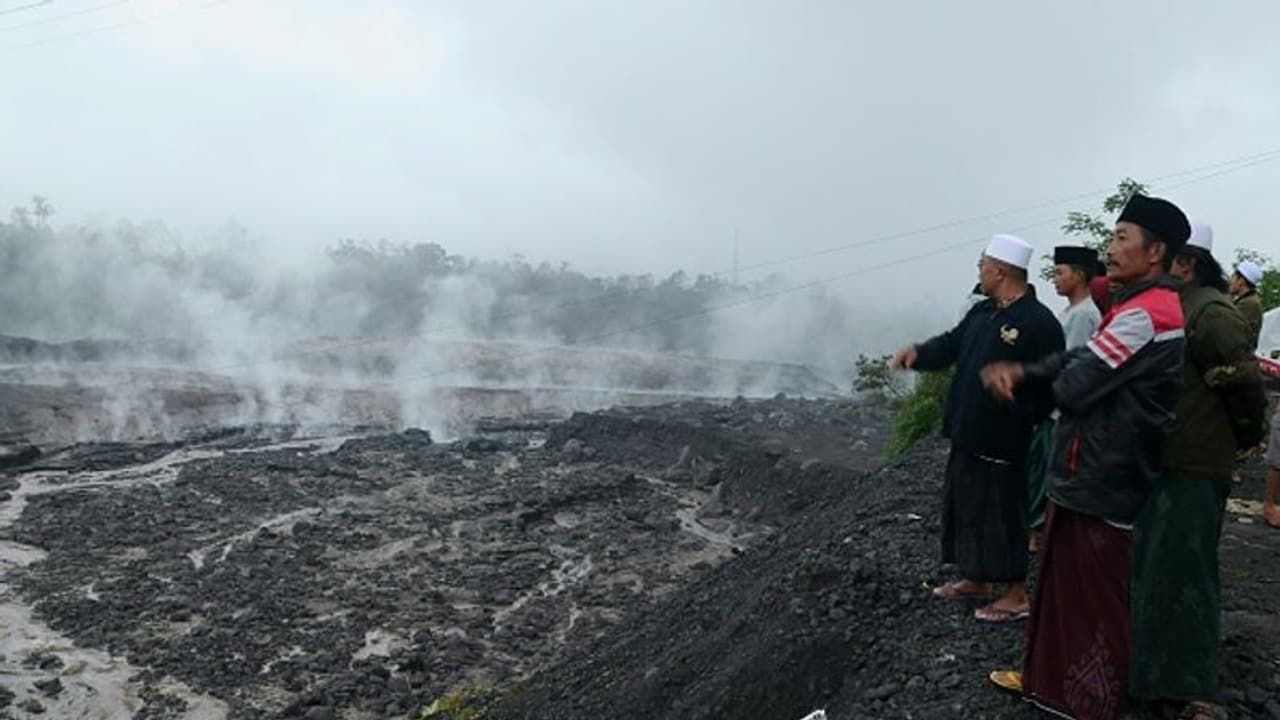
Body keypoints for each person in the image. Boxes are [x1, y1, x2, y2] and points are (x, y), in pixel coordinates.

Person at [982, 194, 1190, 720]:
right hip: (1089, 470)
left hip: (1104, 473)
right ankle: (1050, 686)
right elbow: (1080, 361)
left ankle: (1091, 703)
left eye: (1122, 238)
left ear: (1156, 251)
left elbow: (1078, 383)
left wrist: (1027, 382)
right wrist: (1029, 373)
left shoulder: (1146, 316)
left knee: (1093, 598)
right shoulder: (1136, 306)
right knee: (1062, 585)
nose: (1111, 248)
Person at [891, 234, 1064, 623]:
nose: (980, 271)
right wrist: (918, 354)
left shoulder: (1037, 322)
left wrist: (1022, 409)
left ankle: (1016, 593)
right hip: (969, 431)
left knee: (1001, 512)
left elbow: (1055, 378)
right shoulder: (983, 313)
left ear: (999, 271)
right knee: (966, 507)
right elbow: (952, 345)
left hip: (1005, 436)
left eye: (983, 264)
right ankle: (975, 579)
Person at [1129, 219, 1261, 720]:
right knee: (1154, 569)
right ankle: (1150, 673)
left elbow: (1244, 389)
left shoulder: (1211, 312)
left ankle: (1189, 685)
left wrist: (1242, 441)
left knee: (1187, 571)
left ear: (1185, 264)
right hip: (1163, 459)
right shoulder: (1175, 306)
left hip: (1194, 463)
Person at [1026, 246, 1104, 543]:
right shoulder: (1072, 310)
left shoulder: (1083, 315)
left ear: (1080, 276)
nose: (1055, 279)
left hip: (1061, 412)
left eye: (1060, 273)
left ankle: (1038, 532)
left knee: (1046, 471)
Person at [1230, 258, 1264, 351]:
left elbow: (1228, 328)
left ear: (1241, 281)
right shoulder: (1247, 300)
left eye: (1233, 276)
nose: (1230, 280)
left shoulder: (1249, 304)